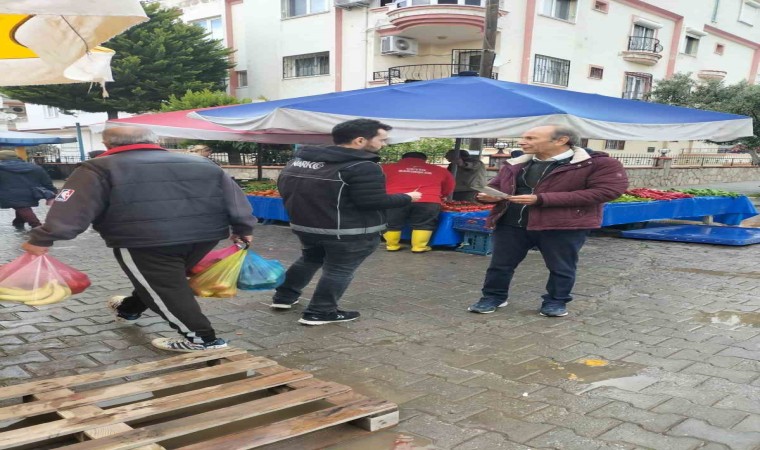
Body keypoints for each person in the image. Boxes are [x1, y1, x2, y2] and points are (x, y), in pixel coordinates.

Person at [22, 126, 256, 352]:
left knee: (165, 287)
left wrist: (43, 238)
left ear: (106, 143)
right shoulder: (200, 162)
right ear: (155, 140)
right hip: (205, 236)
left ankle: (203, 340)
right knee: (160, 280)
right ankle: (128, 309)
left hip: (144, 240)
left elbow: (72, 207)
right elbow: (234, 197)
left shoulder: (98, 167)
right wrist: (243, 227)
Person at [272, 118, 422, 325]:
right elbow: (372, 201)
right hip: (348, 233)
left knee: (310, 259)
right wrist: (408, 197)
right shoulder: (362, 166)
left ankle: (283, 297)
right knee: (339, 269)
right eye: (381, 140)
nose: (384, 145)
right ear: (360, 140)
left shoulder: (298, 161)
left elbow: (284, 190)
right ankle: (320, 312)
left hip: (306, 227)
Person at [469, 125, 628, 317]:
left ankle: (556, 301)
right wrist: (487, 196)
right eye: (524, 137)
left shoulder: (597, 164)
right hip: (511, 222)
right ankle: (493, 297)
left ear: (561, 140)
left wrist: (542, 199)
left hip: (562, 225)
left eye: (531, 138)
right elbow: (495, 186)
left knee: (561, 267)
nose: (522, 142)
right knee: (500, 265)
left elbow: (606, 191)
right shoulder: (517, 162)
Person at [381, 151, 455, 252]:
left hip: (395, 198)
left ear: (402, 158)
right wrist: (442, 195)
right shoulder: (439, 170)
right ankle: (419, 247)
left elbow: (377, 182)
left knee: (392, 222)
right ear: (425, 160)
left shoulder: (387, 167)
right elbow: (449, 186)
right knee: (424, 223)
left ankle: (392, 245)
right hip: (428, 199)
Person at [0, 150, 57, 230]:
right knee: (22, 207)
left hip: (10, 193)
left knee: (22, 207)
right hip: (31, 192)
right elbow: (46, 181)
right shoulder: (35, 167)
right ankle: (18, 222)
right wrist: (53, 191)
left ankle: (38, 227)